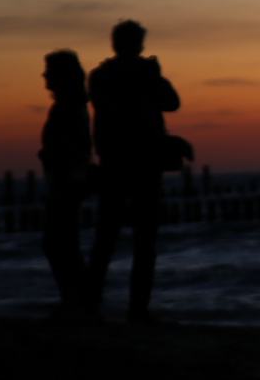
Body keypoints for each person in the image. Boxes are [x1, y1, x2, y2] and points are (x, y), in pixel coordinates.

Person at [86, 20, 180, 322]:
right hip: (137, 164)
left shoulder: (100, 76)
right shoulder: (118, 76)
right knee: (139, 241)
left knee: (109, 238)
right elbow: (170, 103)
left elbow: (171, 104)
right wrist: (152, 77)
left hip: (120, 163)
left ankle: (95, 304)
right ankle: (134, 309)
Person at [38, 49, 92, 317]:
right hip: (67, 182)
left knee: (58, 243)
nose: (44, 75)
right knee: (64, 244)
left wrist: (50, 157)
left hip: (66, 183)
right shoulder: (72, 105)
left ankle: (75, 302)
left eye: (49, 70)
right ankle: (78, 301)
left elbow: (71, 148)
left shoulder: (68, 107)